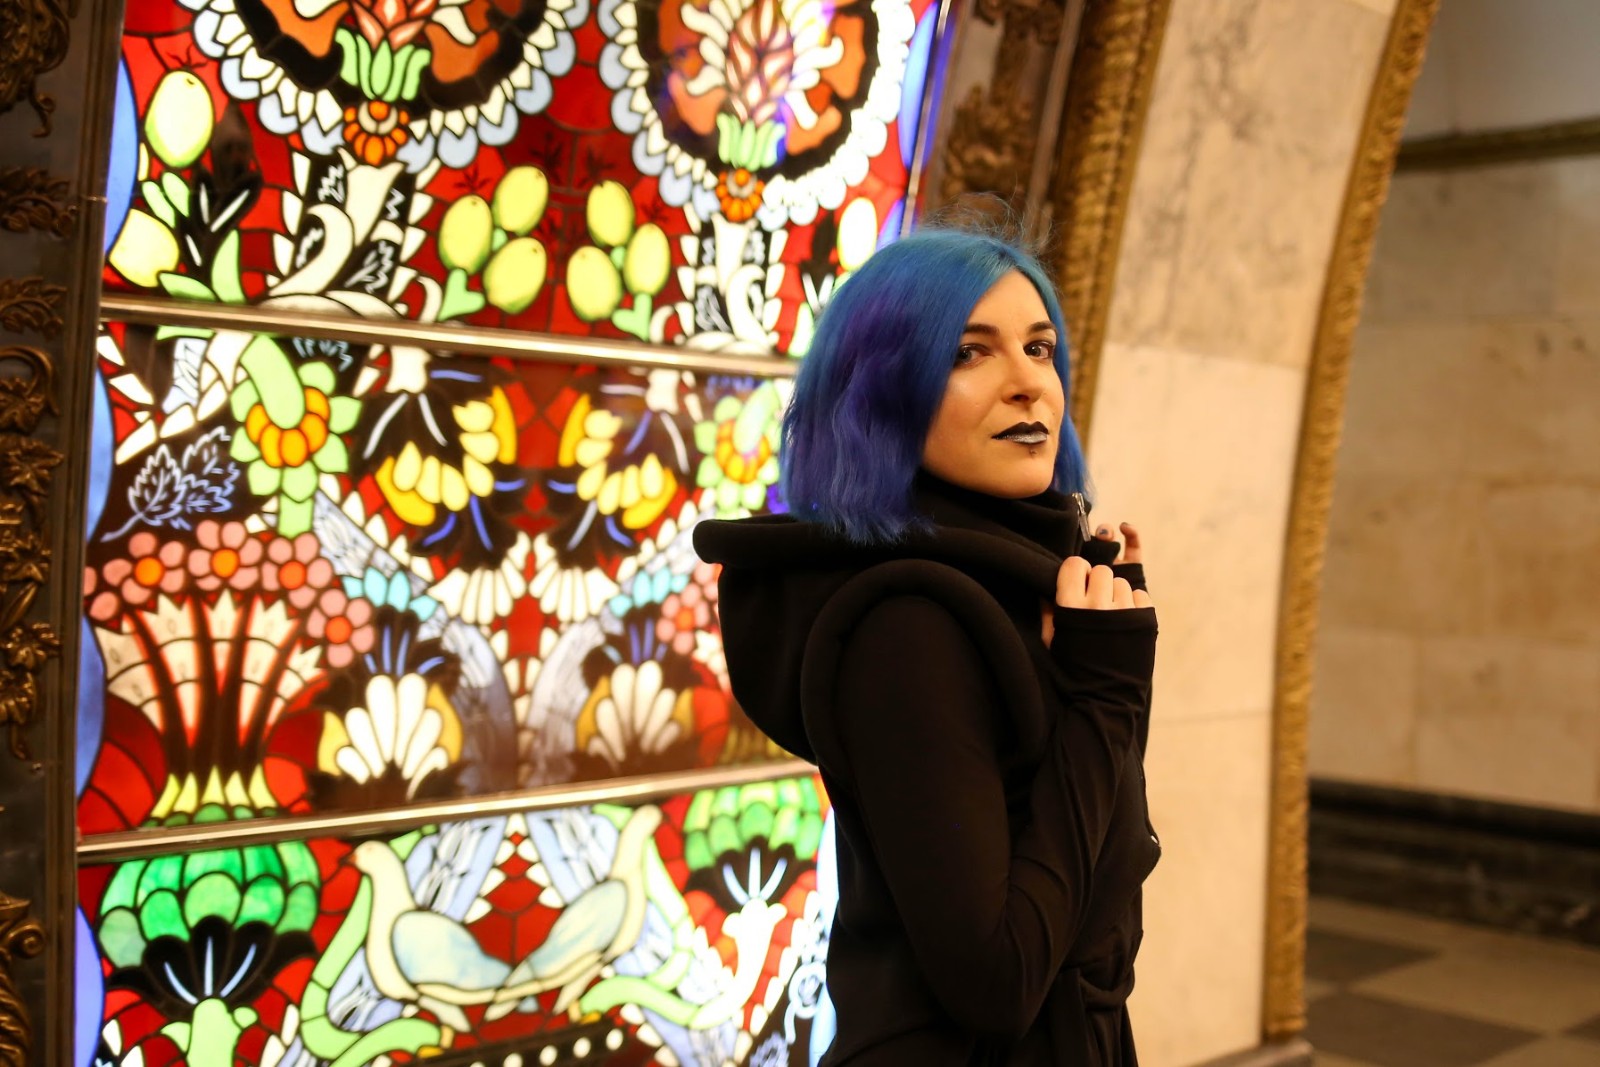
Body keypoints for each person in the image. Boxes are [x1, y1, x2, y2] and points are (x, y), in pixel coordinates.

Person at [693, 227, 1159, 1065]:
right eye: (967, 353)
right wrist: (1106, 696)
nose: (1028, 383)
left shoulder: (1019, 580)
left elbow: (1100, 843)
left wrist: (1102, 658)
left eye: (1039, 347)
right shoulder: (909, 626)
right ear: (880, 396)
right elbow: (998, 981)